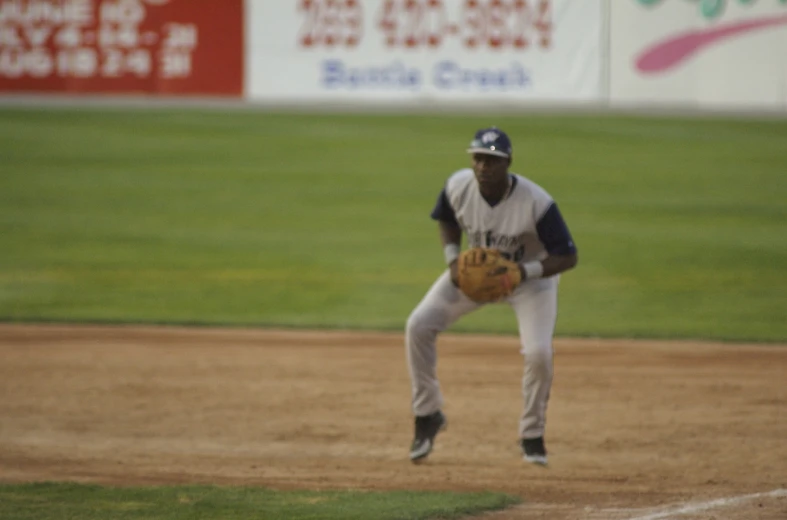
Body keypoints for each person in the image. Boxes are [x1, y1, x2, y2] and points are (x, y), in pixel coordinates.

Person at [405, 127, 578, 465]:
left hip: (530, 283)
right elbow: (447, 219)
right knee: (418, 325)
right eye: (479, 159)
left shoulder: (536, 202)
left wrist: (522, 272)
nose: (484, 167)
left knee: (539, 353)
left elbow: (567, 256)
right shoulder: (459, 185)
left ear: (508, 162)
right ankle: (427, 415)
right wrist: (453, 259)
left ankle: (532, 435)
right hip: (477, 276)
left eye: (492, 160)